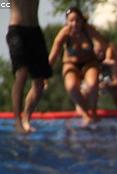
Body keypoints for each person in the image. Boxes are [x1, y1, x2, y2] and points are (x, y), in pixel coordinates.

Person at [48, 7, 107, 126]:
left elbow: (103, 44)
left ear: (82, 21)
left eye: (77, 20)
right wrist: (45, 74)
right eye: (71, 21)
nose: (74, 24)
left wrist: (100, 49)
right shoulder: (64, 34)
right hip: (71, 64)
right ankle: (86, 114)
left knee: (92, 84)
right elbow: (54, 54)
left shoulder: (88, 30)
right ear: (67, 22)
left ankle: (94, 112)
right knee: (71, 86)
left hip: (89, 63)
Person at [6, 0, 53, 133]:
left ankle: (26, 117)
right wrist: (8, 5)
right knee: (22, 73)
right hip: (17, 30)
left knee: (39, 83)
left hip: (35, 31)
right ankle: (18, 122)